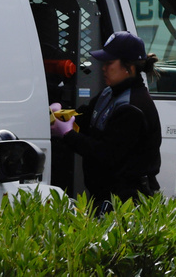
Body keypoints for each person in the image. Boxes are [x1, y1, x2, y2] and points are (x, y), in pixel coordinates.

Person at [51, 31, 162, 211]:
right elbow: (84, 117)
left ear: (129, 67)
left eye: (109, 63)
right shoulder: (110, 92)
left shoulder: (134, 106)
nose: (103, 67)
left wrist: (68, 134)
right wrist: (60, 114)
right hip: (106, 196)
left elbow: (105, 154)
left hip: (129, 202)